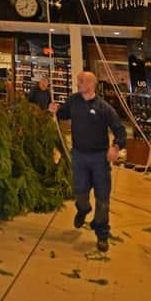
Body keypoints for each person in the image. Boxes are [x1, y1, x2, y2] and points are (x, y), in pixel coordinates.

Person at [48, 72, 127, 252]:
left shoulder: (104, 108)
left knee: (103, 199)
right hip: (79, 156)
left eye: (82, 81)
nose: (78, 83)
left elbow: (120, 131)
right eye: (78, 81)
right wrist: (55, 110)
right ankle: (83, 209)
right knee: (80, 192)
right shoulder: (74, 101)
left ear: (92, 84)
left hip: (99, 158)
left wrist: (115, 147)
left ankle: (102, 233)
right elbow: (63, 113)